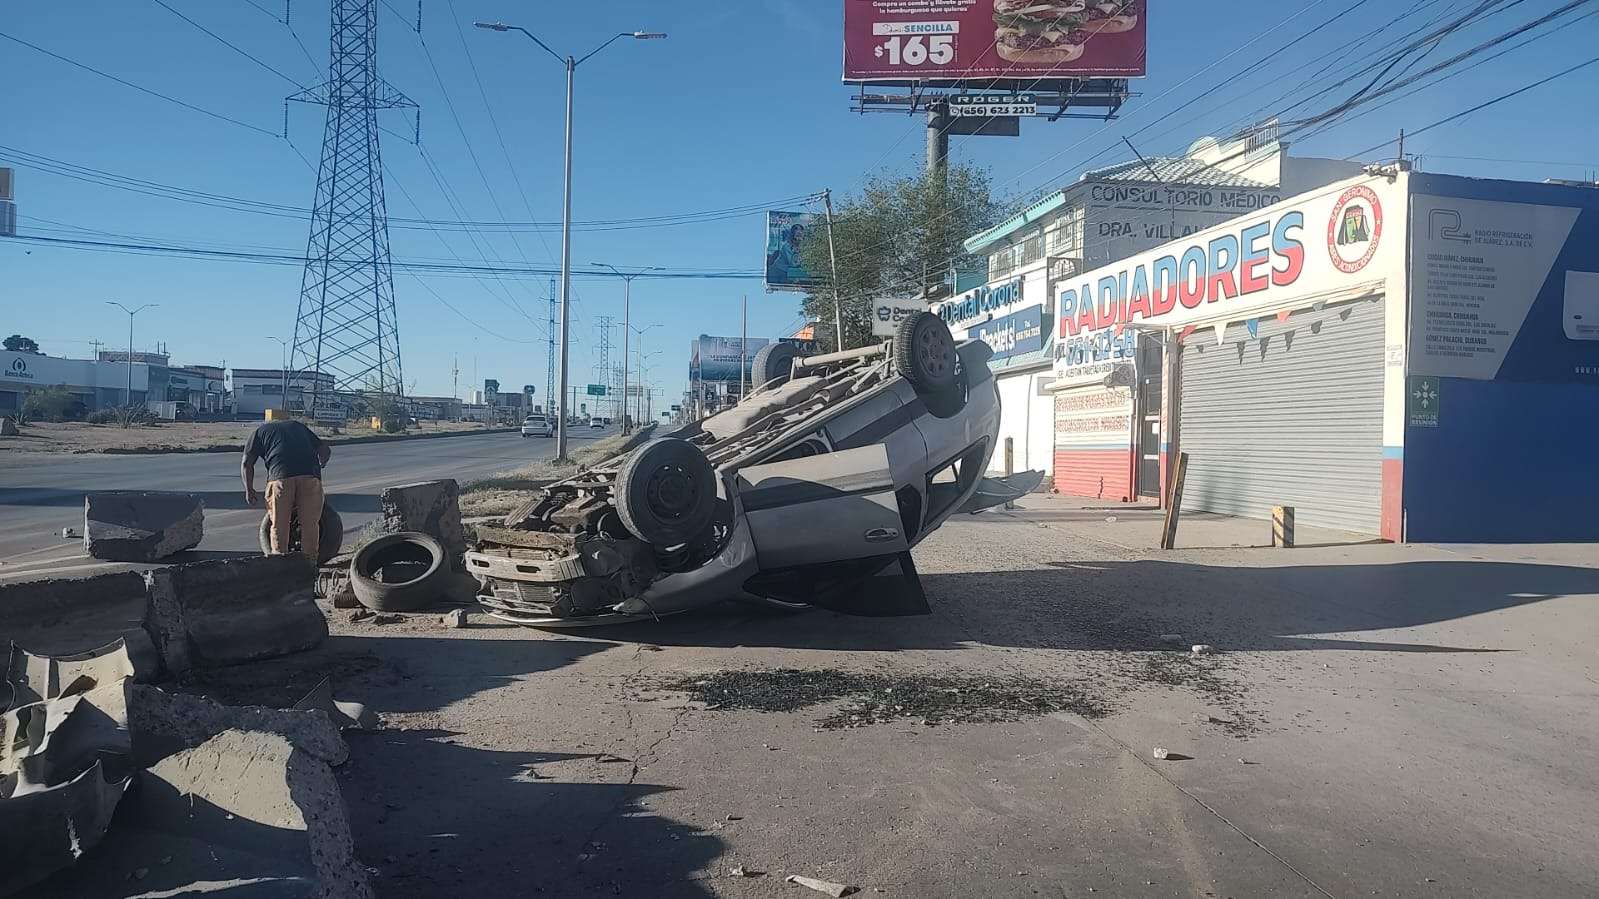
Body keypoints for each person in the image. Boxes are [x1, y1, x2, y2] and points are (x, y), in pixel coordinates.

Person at [243, 418, 332, 560]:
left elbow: (247, 463)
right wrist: (321, 464)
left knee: (279, 524)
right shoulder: (298, 426)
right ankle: (310, 565)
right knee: (310, 525)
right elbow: (325, 450)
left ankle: (280, 564)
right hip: (309, 476)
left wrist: (249, 489)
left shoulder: (259, 432)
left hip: (280, 479)